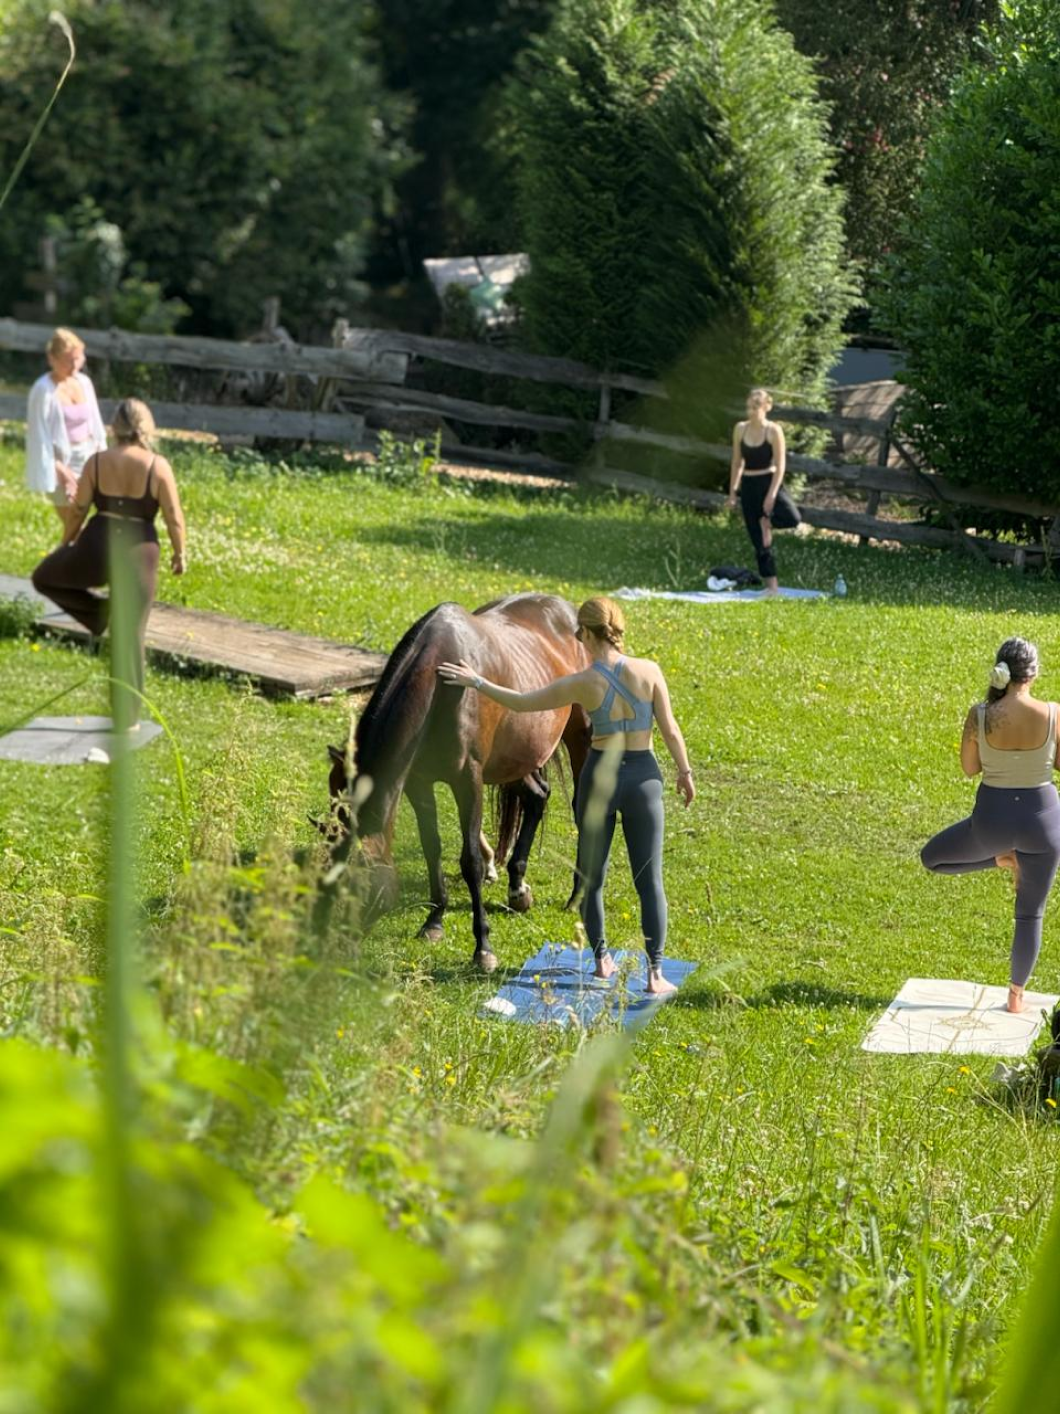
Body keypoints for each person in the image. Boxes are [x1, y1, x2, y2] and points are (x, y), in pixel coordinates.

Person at [438, 596, 694, 995]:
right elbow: (671, 730)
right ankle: (655, 974)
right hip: (643, 778)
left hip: (600, 778)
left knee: (593, 879)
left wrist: (477, 682)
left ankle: (601, 962)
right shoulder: (650, 671)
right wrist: (685, 772)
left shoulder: (582, 682)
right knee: (650, 882)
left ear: (587, 634)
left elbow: (522, 702)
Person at [921, 638, 1060, 1013]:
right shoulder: (1053, 713)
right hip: (1043, 825)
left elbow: (969, 768)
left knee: (932, 858)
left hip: (991, 824)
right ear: (1033, 674)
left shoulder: (980, 714)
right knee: (1029, 913)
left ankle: (1001, 859)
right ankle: (1016, 997)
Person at [32, 399, 187, 726]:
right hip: (140, 550)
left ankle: (99, 613)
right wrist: (179, 553)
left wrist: (66, 544)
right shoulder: (158, 466)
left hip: (97, 543)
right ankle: (127, 720)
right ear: (147, 427)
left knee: (44, 577)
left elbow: (78, 509)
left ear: (114, 427)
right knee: (130, 637)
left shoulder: (98, 461)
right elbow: (173, 516)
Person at [25, 328, 108, 533]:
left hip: (89, 458)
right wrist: (61, 470)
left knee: (94, 519)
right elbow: (39, 437)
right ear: (52, 359)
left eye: (77, 359)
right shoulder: (43, 390)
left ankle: (84, 552)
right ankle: (76, 553)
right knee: (73, 525)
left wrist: (101, 457)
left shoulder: (84, 383)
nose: (74, 366)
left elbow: (96, 424)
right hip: (61, 464)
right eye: (67, 361)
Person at [726, 387, 801, 594]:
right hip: (749, 486)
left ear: (767, 407)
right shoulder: (740, 429)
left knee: (792, 517)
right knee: (759, 540)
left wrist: (772, 495)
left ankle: (767, 522)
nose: (752, 412)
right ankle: (772, 587)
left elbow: (781, 465)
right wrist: (733, 493)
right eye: (749, 408)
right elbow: (737, 462)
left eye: (756, 407)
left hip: (769, 481)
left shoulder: (773, 431)